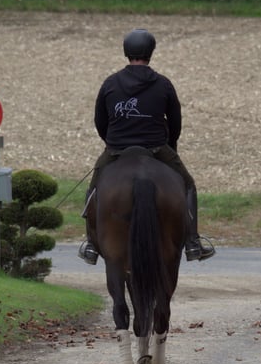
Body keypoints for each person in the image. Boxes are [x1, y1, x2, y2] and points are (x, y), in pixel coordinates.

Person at [78, 28, 215, 265]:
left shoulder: (110, 83)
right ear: (151, 52)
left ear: (126, 52)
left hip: (116, 150)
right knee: (189, 185)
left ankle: (91, 243)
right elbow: (175, 122)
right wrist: (170, 146)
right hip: (156, 148)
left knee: (94, 189)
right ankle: (193, 242)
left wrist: (111, 143)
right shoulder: (163, 84)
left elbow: (100, 121)